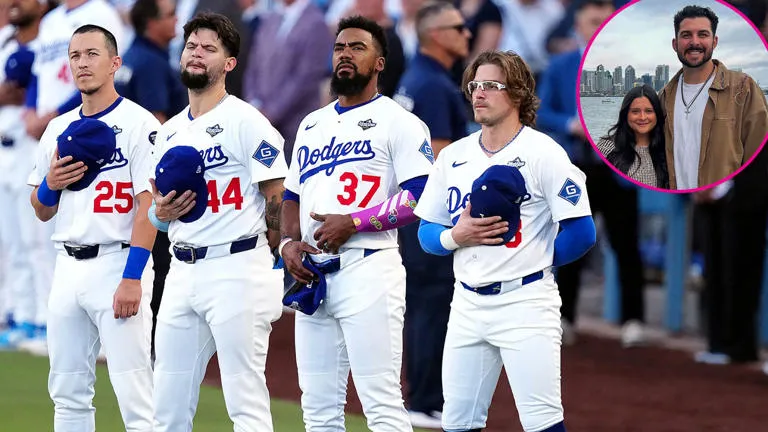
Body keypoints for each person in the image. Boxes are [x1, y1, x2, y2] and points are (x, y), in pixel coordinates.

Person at [414, 50, 595, 432]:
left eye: (491, 86)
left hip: (526, 303)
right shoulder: (454, 156)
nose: (479, 93)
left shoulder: (544, 153)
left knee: (542, 423)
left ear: (517, 93)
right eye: (475, 85)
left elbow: (582, 232)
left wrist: (536, 259)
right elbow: (426, 234)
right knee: (458, 424)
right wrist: (454, 236)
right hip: (466, 303)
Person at [279, 15, 434, 432]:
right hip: (313, 273)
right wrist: (288, 245)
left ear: (379, 62)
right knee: (318, 410)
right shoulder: (312, 124)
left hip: (370, 267)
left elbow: (420, 196)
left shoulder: (400, 121)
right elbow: (291, 196)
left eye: (357, 47)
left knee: (381, 404)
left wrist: (355, 221)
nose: (345, 54)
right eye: (340, 48)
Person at [149, 12, 287, 432]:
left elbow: (277, 195)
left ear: (229, 64)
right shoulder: (168, 131)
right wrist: (161, 214)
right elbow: (156, 212)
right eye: (192, 45)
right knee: (167, 404)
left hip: (237, 267)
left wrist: (278, 256)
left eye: (210, 49)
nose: (197, 53)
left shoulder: (247, 121)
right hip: (181, 270)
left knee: (244, 402)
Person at [28, 24, 159, 431]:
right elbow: (40, 208)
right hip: (67, 265)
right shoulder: (57, 128)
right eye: (75, 56)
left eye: (91, 54)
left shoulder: (140, 124)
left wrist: (133, 278)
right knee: (67, 394)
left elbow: (148, 206)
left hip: (117, 262)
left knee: (135, 396)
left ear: (114, 63)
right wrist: (52, 184)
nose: (82, 63)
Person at [538, 0, 647, 348]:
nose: (599, 26)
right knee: (570, 242)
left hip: (619, 168)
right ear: (578, 25)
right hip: (575, 166)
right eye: (592, 20)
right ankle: (564, 316)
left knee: (627, 244)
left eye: (605, 20)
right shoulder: (560, 66)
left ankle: (634, 320)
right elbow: (541, 111)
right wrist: (571, 124)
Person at [392, 1, 469, 428]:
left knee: (421, 304)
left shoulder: (415, 79)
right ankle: (425, 398)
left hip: (412, 209)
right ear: (436, 34)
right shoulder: (435, 86)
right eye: (458, 28)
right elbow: (439, 158)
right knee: (431, 304)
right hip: (431, 213)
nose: (467, 34)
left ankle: (420, 394)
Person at [114, 0, 187, 361]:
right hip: (149, 179)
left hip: (119, 173)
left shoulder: (129, 56)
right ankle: (156, 345)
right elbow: (159, 126)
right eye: (169, 15)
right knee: (159, 261)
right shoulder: (154, 63)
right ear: (149, 23)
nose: (176, 20)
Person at [658, 4, 768, 190]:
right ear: (675, 44)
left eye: (702, 34)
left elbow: (760, 162)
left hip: (731, 207)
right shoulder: (664, 96)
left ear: (714, 41)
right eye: (686, 35)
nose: (695, 42)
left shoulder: (744, 88)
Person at [0, 0, 48, 350]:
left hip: (30, 145)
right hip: (4, 148)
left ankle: (43, 320)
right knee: (11, 241)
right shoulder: (5, 40)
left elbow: (18, 89)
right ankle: (19, 315)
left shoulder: (49, 40)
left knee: (36, 240)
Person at [24, 0, 125, 141]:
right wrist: (30, 112)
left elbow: (107, 74)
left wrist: (56, 115)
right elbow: (37, 73)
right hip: (44, 127)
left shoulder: (102, 13)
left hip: (83, 121)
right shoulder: (49, 20)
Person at [244, 0, 333, 159]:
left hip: (294, 128)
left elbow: (305, 78)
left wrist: (270, 113)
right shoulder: (270, 18)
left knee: (285, 182)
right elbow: (253, 65)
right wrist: (253, 105)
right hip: (261, 123)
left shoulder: (317, 23)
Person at [596, 84, 669, 189]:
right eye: (635, 111)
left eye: (649, 111)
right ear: (626, 114)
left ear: (657, 114)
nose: (642, 117)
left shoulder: (667, 150)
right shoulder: (607, 148)